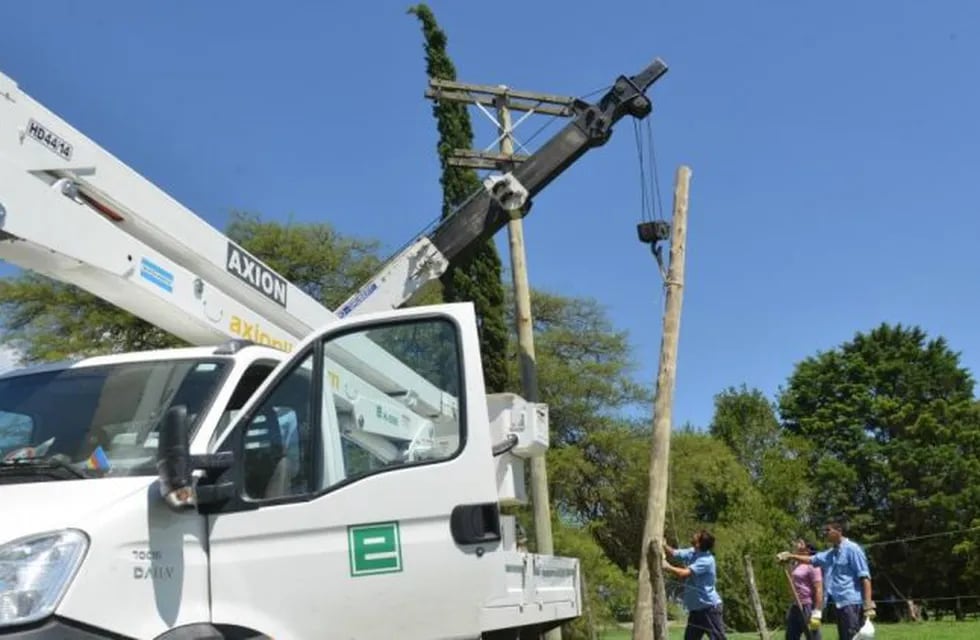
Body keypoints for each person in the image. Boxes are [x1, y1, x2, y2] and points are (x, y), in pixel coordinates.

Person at [778, 520, 874, 640]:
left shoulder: (853, 549)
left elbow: (865, 577)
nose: (825, 533)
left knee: (852, 637)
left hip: (851, 603)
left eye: (828, 530)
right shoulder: (830, 553)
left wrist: (868, 605)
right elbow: (812, 559)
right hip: (839, 605)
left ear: (839, 531)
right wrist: (791, 556)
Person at [662, 529, 727, 640]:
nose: (694, 534)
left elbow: (684, 574)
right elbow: (674, 553)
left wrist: (666, 566)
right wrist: (663, 545)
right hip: (696, 610)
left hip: (709, 609)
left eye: (697, 535)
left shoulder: (706, 560)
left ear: (699, 543)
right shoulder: (693, 551)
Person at [783, 539, 823, 640]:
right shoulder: (797, 564)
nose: (797, 545)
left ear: (808, 550)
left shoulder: (813, 565)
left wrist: (817, 611)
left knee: (812, 636)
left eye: (801, 543)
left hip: (807, 605)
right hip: (796, 605)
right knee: (791, 636)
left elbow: (818, 589)